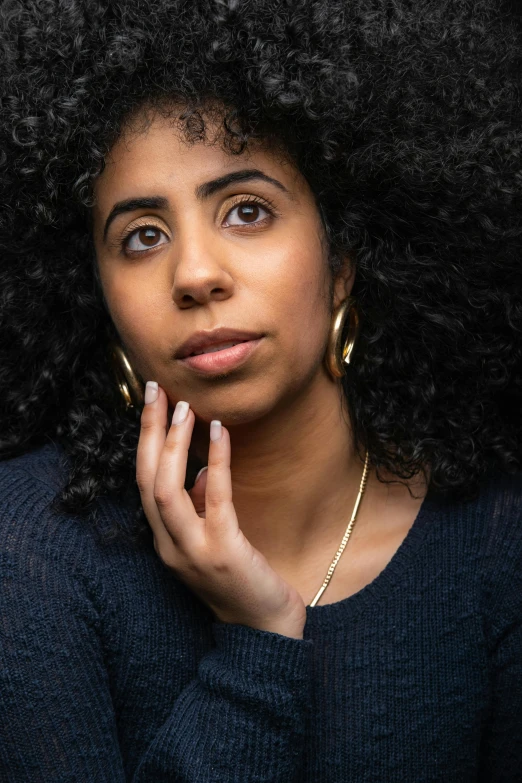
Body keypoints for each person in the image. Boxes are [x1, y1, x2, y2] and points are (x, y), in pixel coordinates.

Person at [0, 0, 521, 780]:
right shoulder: (31, 549)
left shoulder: (492, 544)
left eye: (247, 211)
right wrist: (259, 644)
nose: (197, 274)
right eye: (142, 235)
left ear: (343, 259)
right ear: (96, 297)